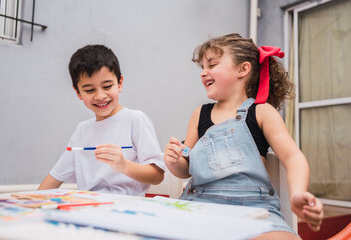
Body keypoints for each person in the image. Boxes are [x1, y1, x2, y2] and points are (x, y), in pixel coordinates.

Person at [164, 33, 323, 239]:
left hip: (254, 210)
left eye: (211, 65)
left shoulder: (262, 111)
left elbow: (293, 157)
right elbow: (186, 169)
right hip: (199, 205)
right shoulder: (199, 114)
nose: (204, 73)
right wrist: (175, 161)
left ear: (243, 69)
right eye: (202, 68)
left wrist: (298, 193)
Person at [39, 44, 165, 196]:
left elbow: (157, 176)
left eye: (107, 86)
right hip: (87, 205)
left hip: (125, 208)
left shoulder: (135, 120)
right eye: (89, 90)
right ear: (78, 92)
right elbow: (56, 176)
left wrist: (123, 165)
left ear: (120, 83)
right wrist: (29, 202)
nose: (100, 96)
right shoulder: (82, 130)